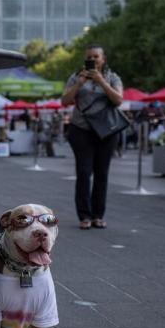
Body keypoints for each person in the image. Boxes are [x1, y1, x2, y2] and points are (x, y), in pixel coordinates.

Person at [60, 45, 124, 229]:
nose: (93, 60)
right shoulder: (76, 76)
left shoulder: (112, 77)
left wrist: (102, 82)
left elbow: (119, 100)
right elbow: (64, 100)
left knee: (102, 174)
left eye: (96, 56)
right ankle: (84, 216)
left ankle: (98, 215)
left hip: (106, 131)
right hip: (81, 130)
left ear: (103, 59)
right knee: (84, 172)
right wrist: (79, 84)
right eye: (89, 57)